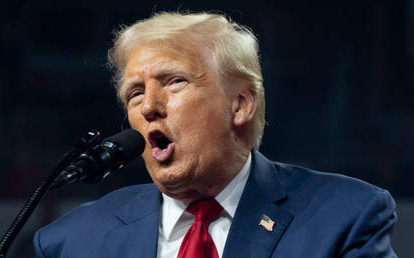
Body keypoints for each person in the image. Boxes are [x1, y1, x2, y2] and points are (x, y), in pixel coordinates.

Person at [33, 12, 397, 258]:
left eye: (174, 81)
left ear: (240, 104)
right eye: (136, 93)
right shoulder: (71, 242)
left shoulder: (344, 218)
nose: (149, 107)